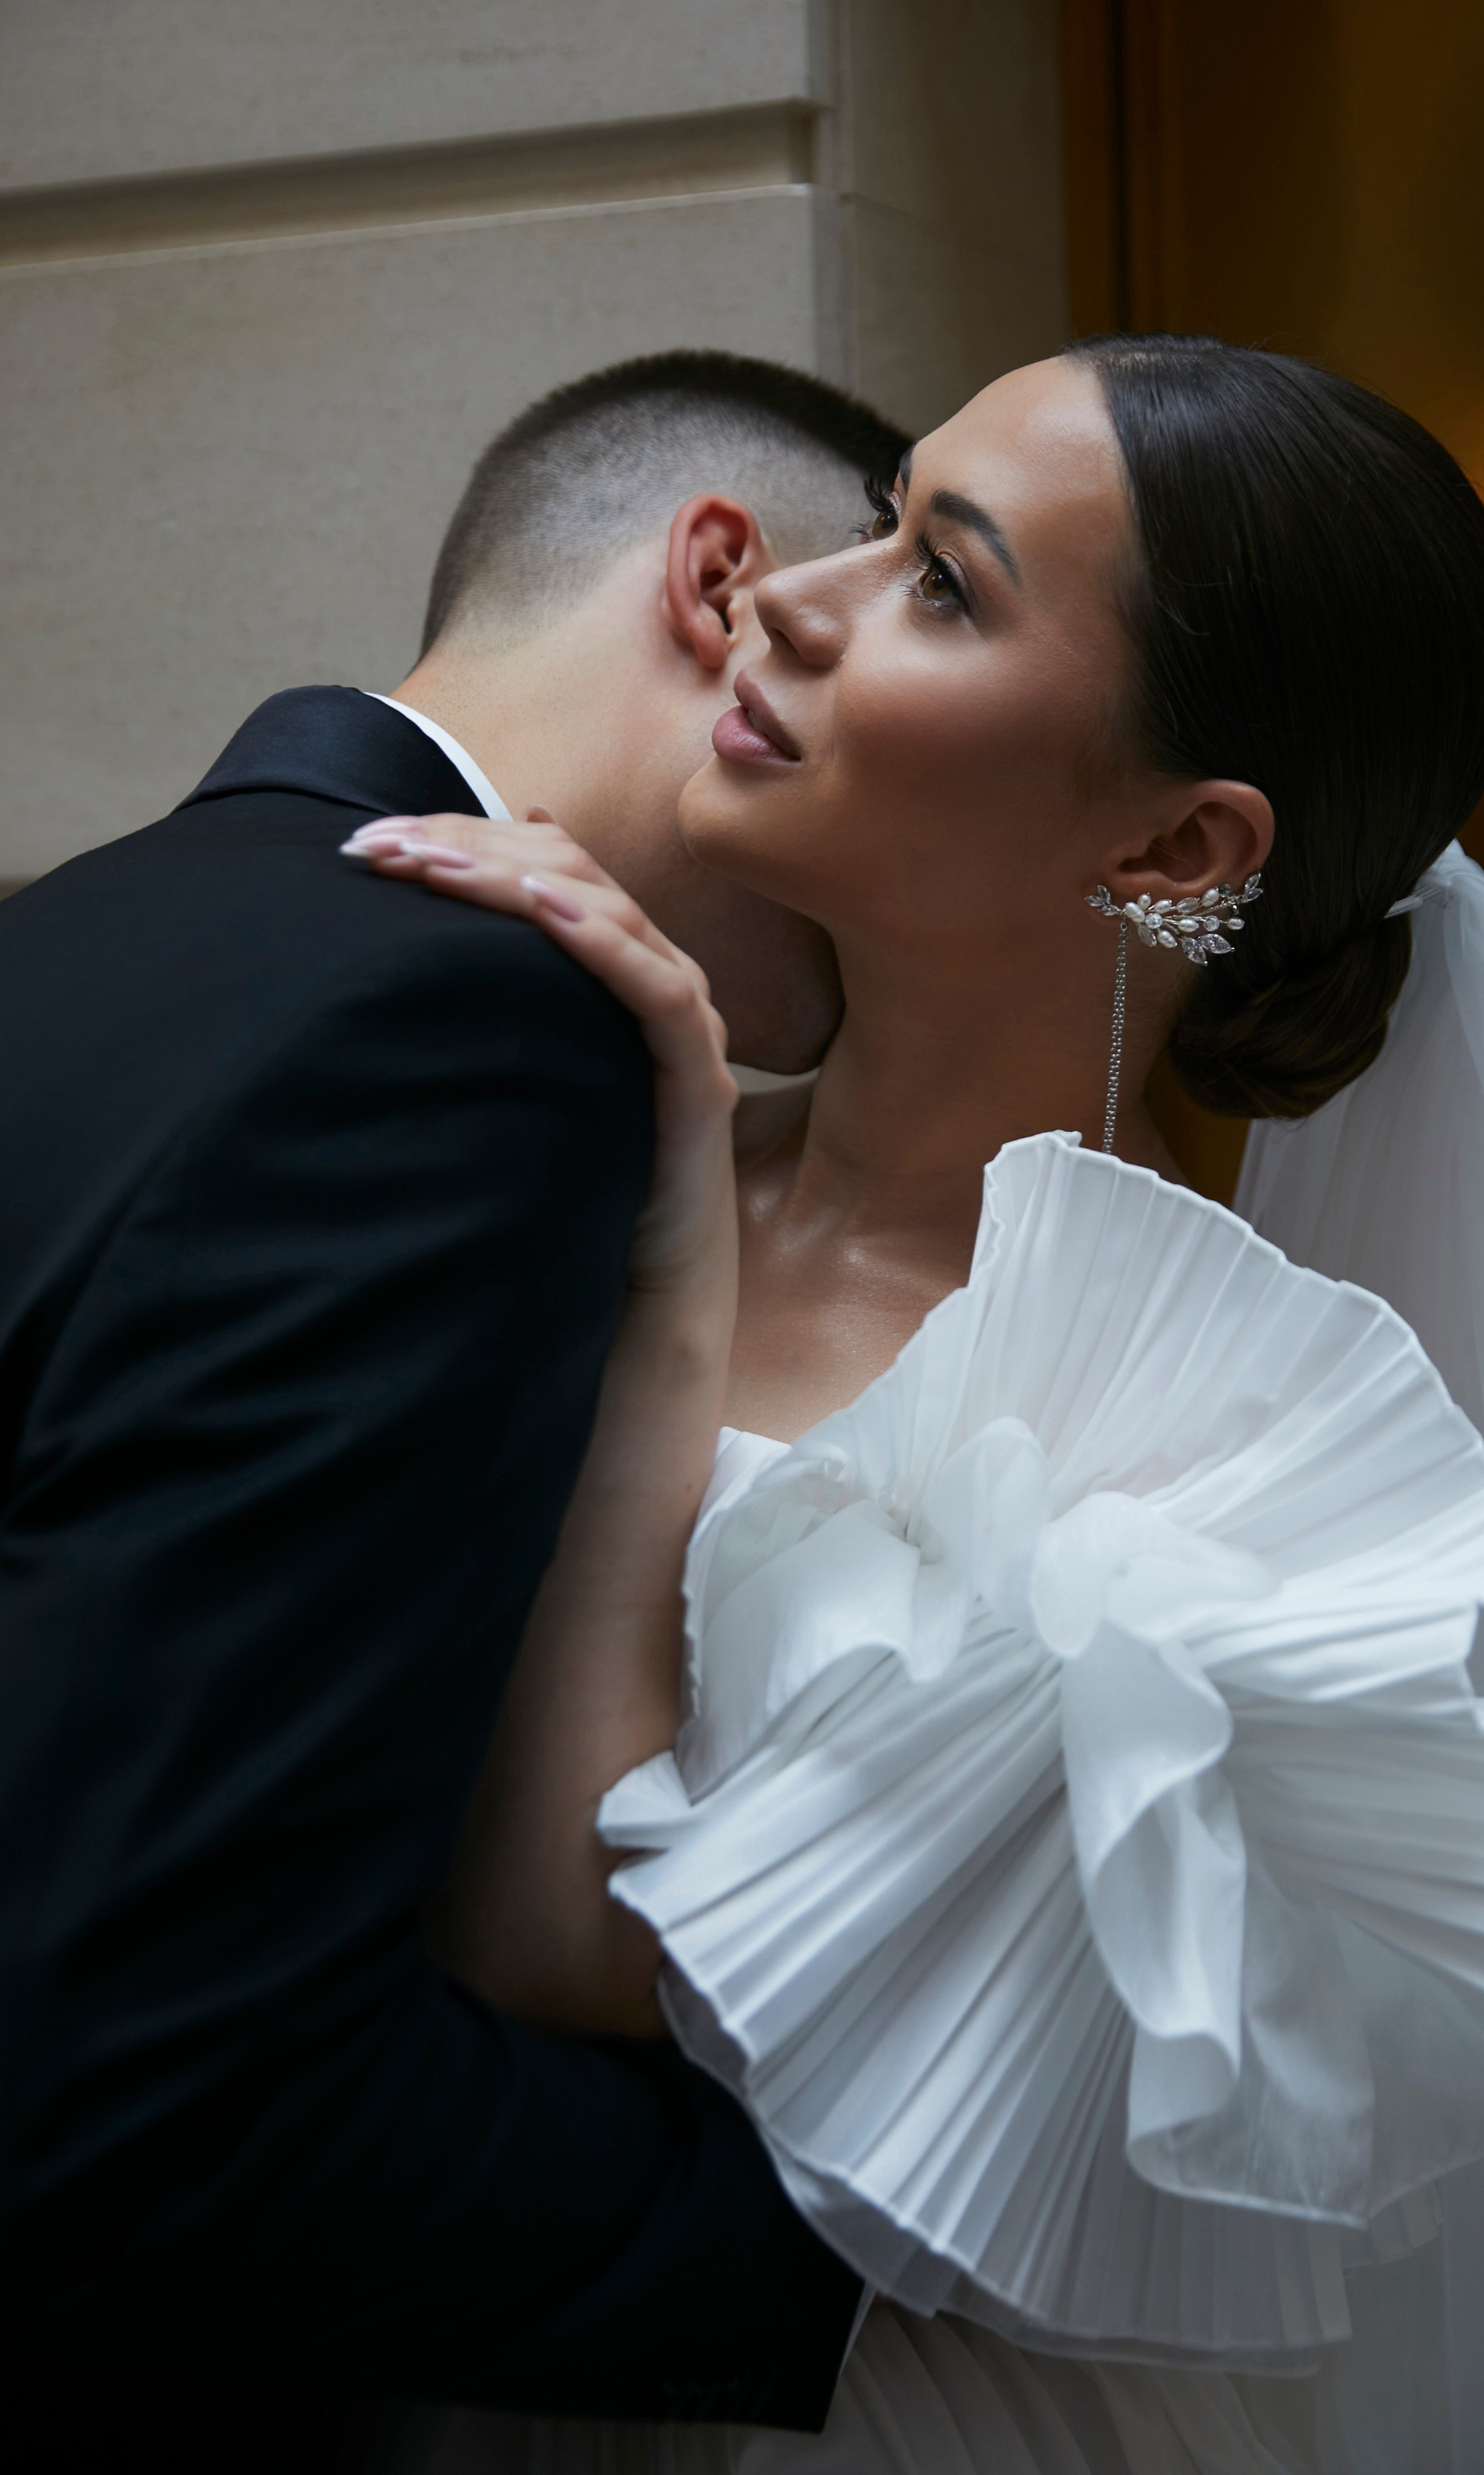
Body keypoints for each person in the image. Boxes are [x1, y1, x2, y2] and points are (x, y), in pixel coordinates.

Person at [347, 336, 1484, 2475]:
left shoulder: (1214, 1454)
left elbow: (563, 1949)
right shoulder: (558, 1148)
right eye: (885, 526)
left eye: (942, 582)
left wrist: (681, 1232)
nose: (795, 591)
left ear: (1177, 844)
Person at [0, 351, 907, 2471]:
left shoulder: (74, 934)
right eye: (905, 602)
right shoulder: (458, 1023)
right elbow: (160, 2083)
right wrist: (876, 2267)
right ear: (731, 592)